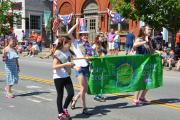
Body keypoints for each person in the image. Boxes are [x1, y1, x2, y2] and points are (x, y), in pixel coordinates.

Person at [68, 18, 92, 115]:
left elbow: (90, 57)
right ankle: (84, 108)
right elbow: (68, 33)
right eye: (84, 34)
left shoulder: (89, 45)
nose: (85, 36)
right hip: (79, 68)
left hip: (86, 67)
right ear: (80, 36)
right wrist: (76, 24)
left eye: (86, 34)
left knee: (85, 89)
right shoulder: (76, 43)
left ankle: (74, 99)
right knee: (83, 87)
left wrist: (90, 58)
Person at [53, 36, 75, 120]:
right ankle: (60, 114)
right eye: (69, 44)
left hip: (66, 76)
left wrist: (73, 67)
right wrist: (66, 65)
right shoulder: (58, 52)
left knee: (71, 93)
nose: (70, 45)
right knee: (60, 95)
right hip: (58, 77)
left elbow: (69, 63)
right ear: (63, 43)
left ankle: (65, 108)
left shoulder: (68, 52)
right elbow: (54, 66)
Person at [132, 25, 154, 105]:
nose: (150, 30)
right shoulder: (139, 39)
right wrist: (145, 41)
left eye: (150, 29)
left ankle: (142, 97)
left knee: (148, 80)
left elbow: (151, 51)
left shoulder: (149, 40)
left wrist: (157, 52)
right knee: (140, 80)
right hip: (140, 64)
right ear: (143, 31)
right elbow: (134, 45)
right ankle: (135, 99)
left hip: (148, 63)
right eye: (148, 29)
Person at [92, 35, 107, 102]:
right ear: (97, 38)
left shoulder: (102, 45)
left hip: (101, 64)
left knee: (101, 79)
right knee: (97, 80)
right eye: (101, 37)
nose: (102, 38)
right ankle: (96, 95)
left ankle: (99, 94)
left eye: (102, 37)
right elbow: (92, 55)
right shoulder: (94, 46)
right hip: (96, 64)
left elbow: (104, 53)